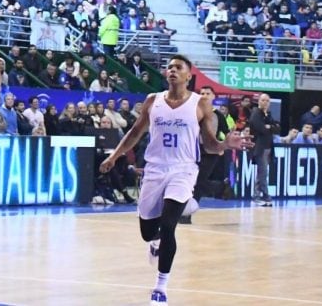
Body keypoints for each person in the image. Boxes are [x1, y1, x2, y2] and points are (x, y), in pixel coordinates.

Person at [99, 55, 252, 306]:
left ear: (188, 76)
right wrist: (115, 156)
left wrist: (225, 144)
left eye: (178, 67)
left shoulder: (200, 104)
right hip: (155, 169)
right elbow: (135, 132)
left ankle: (161, 286)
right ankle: (155, 242)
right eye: (169, 66)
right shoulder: (153, 101)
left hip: (183, 169)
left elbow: (211, 144)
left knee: (170, 224)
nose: (172, 70)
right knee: (148, 232)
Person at [181, 86, 232, 224]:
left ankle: (187, 214)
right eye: (202, 93)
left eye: (207, 93)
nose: (204, 95)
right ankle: (220, 187)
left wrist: (224, 146)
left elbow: (226, 133)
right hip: (192, 151)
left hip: (210, 152)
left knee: (199, 182)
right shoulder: (192, 111)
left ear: (214, 96)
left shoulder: (218, 115)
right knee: (189, 181)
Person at [249, 93, 279, 206]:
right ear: (259, 101)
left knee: (261, 173)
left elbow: (277, 128)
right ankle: (266, 196)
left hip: (268, 147)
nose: (265, 102)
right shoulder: (256, 114)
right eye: (263, 100)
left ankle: (257, 196)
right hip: (259, 147)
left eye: (267, 101)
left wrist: (270, 126)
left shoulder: (268, 114)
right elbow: (261, 129)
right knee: (263, 173)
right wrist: (269, 127)